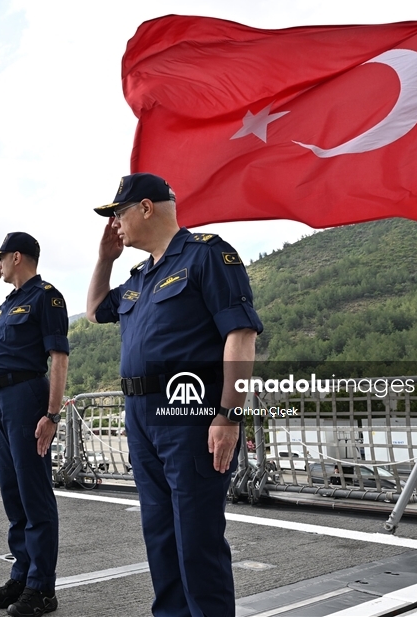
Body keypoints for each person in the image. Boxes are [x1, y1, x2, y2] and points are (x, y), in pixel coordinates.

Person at [86, 173, 262, 617]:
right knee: (160, 535)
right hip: (141, 415)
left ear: (146, 208)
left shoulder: (206, 255)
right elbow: (94, 311)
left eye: (117, 214)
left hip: (189, 412)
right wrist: (105, 258)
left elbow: (239, 335)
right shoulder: (139, 276)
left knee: (197, 539)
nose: (115, 225)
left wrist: (228, 416)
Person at [0, 232, 69, 616]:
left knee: (34, 495)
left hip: (26, 396)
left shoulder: (46, 295)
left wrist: (52, 414)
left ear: (17, 257)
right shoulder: (9, 301)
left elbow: (58, 357)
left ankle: (42, 588)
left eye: (1, 259)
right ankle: (23, 573)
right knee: (14, 495)